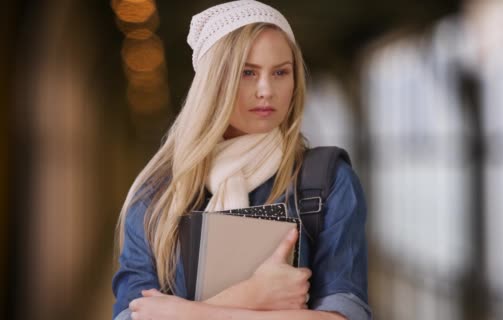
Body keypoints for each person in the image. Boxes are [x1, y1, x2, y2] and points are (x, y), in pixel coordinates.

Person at [111, 1, 371, 319]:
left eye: (280, 72)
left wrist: (189, 314)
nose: (266, 90)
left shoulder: (326, 180)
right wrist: (254, 295)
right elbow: (131, 314)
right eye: (247, 72)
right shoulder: (157, 193)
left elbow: (346, 314)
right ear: (213, 82)